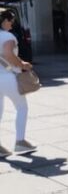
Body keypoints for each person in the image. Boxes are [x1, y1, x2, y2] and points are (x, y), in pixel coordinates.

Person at [0, 9, 36, 157]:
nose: (12, 23)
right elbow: (8, 53)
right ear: (3, 21)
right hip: (8, 76)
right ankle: (20, 141)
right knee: (22, 108)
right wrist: (22, 64)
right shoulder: (8, 36)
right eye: (10, 19)